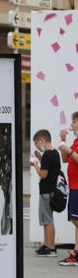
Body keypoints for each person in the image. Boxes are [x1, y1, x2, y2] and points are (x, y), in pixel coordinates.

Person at [30, 129, 60, 257]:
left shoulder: (48, 155)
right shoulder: (54, 153)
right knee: (47, 219)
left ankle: (51, 247)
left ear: (41, 141)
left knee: (47, 220)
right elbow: (49, 167)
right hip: (52, 191)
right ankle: (46, 245)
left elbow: (43, 174)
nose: (37, 146)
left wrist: (35, 164)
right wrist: (40, 158)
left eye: (36, 143)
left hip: (46, 192)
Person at [58, 112, 78, 267]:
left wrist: (69, 150)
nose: (71, 125)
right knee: (75, 220)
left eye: (74, 122)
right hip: (73, 186)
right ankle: (77, 253)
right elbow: (65, 159)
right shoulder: (76, 141)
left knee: (76, 220)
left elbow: (72, 155)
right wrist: (63, 142)